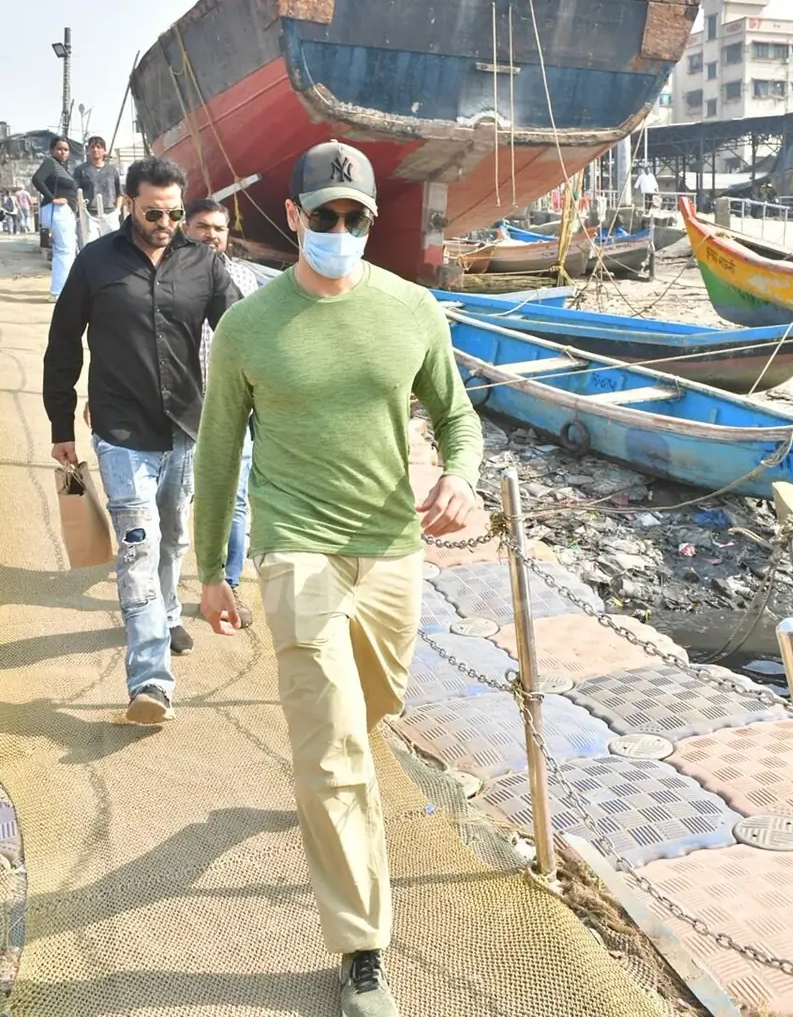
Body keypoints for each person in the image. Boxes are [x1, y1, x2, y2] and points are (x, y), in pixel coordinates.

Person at [193, 140, 483, 1016]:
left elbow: (458, 417)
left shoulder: (413, 310)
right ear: (294, 218)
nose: (343, 230)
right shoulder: (249, 326)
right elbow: (216, 457)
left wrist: (462, 479)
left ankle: (338, 784)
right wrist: (212, 567)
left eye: (357, 218)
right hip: (296, 546)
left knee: (376, 703)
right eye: (326, 216)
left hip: (393, 547)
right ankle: (363, 949)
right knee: (331, 743)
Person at [43, 157, 242, 725]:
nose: (166, 223)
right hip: (120, 431)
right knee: (137, 547)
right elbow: (62, 348)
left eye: (176, 213)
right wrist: (61, 426)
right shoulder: (94, 263)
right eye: (154, 212)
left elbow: (239, 333)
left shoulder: (203, 263)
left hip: (185, 429)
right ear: (129, 203)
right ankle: (150, 682)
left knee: (173, 539)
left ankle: (167, 612)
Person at [183, 197, 260, 626]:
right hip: (181, 411)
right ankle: (161, 588)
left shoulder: (245, 278)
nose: (210, 234)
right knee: (178, 500)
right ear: (185, 228)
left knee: (236, 498)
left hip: (233, 410)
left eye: (218, 228)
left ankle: (229, 584)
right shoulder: (170, 277)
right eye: (201, 226)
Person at [31, 135, 78, 297]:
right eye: (59, 149)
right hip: (57, 210)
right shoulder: (51, 163)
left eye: (66, 149)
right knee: (64, 251)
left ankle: (60, 289)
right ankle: (59, 291)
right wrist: (52, 198)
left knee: (65, 251)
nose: (63, 152)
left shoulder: (62, 168)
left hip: (64, 212)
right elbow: (37, 179)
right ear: (52, 150)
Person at [74, 136, 123, 241]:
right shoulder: (81, 170)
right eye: (92, 147)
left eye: (98, 147)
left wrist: (118, 210)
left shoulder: (112, 171)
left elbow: (120, 193)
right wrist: (78, 213)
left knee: (113, 245)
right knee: (91, 245)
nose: (95, 150)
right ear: (88, 150)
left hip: (110, 214)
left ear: (104, 150)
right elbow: (76, 193)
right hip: (89, 215)